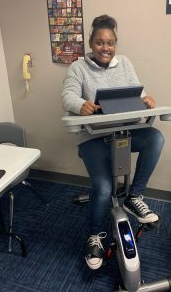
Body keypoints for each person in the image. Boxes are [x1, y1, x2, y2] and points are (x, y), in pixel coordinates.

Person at [62, 15, 164, 270]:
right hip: (93, 137)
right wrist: (80, 105)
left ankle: (134, 196)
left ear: (115, 44)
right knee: (105, 188)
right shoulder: (78, 67)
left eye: (110, 43)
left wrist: (147, 99)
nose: (105, 48)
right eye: (99, 42)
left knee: (155, 138)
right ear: (91, 43)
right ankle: (95, 236)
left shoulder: (125, 63)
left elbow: (137, 92)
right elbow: (68, 96)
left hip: (124, 133)